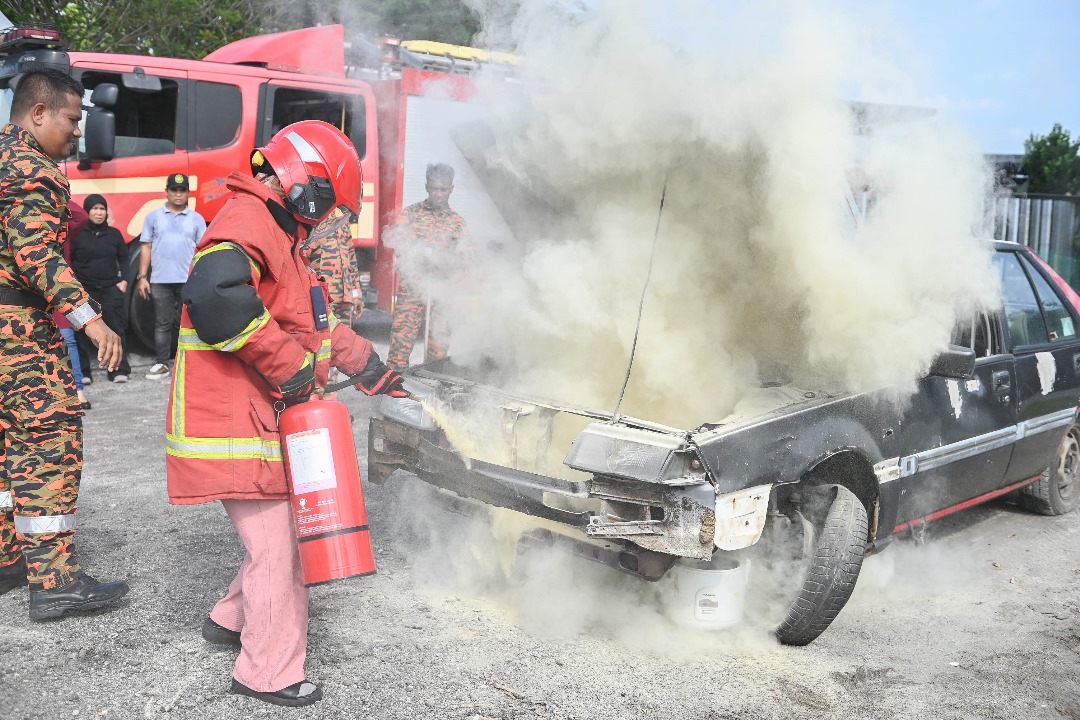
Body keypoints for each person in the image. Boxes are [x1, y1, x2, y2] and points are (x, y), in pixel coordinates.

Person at [165, 120, 406, 707]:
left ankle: (228, 620)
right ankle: (267, 671)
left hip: (254, 420)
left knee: (275, 539)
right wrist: (289, 369)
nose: (327, 218)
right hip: (236, 425)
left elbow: (315, 326)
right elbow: (216, 296)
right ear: (308, 184)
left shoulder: (279, 234)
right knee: (282, 552)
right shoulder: (250, 221)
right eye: (328, 204)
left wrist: (372, 370)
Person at [0, 69, 127, 619]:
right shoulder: (32, 170)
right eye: (73, 120)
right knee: (47, 442)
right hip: (19, 334)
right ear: (38, 113)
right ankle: (53, 582)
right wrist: (91, 321)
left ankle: (9, 557)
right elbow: (38, 259)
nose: (77, 133)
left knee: (7, 445)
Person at [386, 162, 469, 372]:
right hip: (412, 289)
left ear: (451, 189)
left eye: (444, 189)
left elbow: (465, 257)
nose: (439, 194)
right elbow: (400, 243)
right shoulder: (411, 214)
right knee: (401, 344)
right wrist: (423, 253)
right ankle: (393, 389)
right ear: (427, 187)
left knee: (438, 350)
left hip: (441, 291)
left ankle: (433, 386)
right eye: (434, 188)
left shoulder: (457, 222)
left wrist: (448, 260)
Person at [136, 173, 206, 380]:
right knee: (163, 323)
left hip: (188, 280)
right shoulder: (153, 217)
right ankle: (162, 363)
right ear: (166, 192)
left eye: (182, 190)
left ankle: (188, 363)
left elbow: (202, 250)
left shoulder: (197, 219)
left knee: (188, 323)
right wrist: (142, 277)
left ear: (188, 193)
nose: (178, 194)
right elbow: (146, 247)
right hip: (160, 280)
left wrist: (201, 278)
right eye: (174, 190)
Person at [71, 194, 131, 383]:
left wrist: (125, 280)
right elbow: (68, 259)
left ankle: (118, 370)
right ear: (87, 211)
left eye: (102, 209)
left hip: (109, 288)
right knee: (80, 331)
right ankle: (84, 373)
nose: (99, 213)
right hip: (84, 291)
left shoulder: (114, 234)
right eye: (95, 209)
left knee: (116, 329)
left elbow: (124, 258)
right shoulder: (77, 235)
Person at [54, 201, 91, 409]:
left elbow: (81, 216)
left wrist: (55, 189)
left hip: (60, 291)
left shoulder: (62, 227)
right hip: (29, 294)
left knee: (68, 339)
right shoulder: (23, 226)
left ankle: (78, 390)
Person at [301, 221, 364, 327]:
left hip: (345, 297)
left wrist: (356, 295)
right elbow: (303, 255)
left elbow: (351, 260)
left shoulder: (343, 220)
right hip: (325, 295)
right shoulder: (318, 219)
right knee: (325, 337)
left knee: (345, 339)